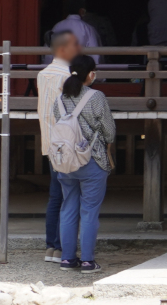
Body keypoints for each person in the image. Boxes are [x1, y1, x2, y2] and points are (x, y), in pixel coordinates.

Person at [53, 53, 116, 273]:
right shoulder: (96, 96)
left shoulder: (59, 99)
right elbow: (109, 130)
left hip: (66, 162)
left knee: (68, 208)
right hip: (92, 160)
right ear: (91, 74)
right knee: (89, 211)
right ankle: (88, 261)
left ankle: (67, 259)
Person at [38, 28, 82, 263]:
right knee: (69, 196)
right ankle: (63, 247)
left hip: (49, 141)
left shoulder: (42, 74)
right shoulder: (67, 76)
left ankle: (51, 247)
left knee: (56, 196)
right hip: (66, 143)